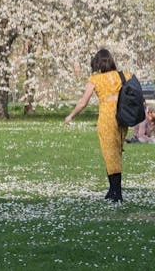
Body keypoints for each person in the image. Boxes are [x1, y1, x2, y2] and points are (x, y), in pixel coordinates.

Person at [64, 48, 131, 202]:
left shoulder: (95, 79)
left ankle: (117, 192)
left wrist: (71, 115)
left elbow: (83, 102)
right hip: (122, 116)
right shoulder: (124, 75)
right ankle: (112, 189)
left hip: (107, 118)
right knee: (116, 151)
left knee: (110, 153)